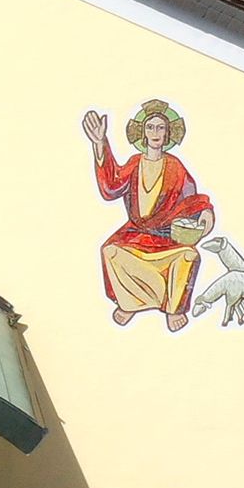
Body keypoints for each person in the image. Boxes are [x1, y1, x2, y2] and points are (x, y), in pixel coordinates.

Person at [82, 99, 216, 331]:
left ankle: (173, 309)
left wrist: (205, 215)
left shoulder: (175, 166)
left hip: (166, 237)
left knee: (187, 257)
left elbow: (192, 201)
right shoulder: (135, 163)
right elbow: (111, 187)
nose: (155, 132)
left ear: (168, 134)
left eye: (161, 127)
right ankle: (131, 302)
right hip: (135, 234)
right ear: (143, 133)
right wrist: (100, 143)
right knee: (110, 252)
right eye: (150, 127)